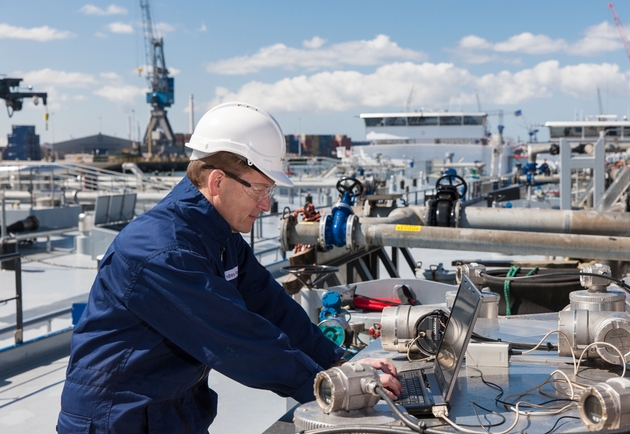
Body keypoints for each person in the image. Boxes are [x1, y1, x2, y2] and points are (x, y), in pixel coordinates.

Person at [57, 102, 401, 433]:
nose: (267, 205)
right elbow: (238, 339)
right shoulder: (163, 252)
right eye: (261, 189)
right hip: (115, 421)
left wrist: (337, 363)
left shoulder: (219, 236)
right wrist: (334, 385)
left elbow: (270, 306)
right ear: (217, 182)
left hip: (166, 413)